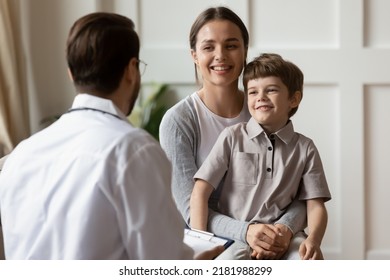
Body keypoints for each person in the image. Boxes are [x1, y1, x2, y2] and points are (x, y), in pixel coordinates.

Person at [0, 12, 223, 260]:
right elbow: (162, 263)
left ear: (71, 74)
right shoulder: (134, 150)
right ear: (131, 70)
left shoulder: (21, 155)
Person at [159, 6, 308, 260]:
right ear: (194, 55)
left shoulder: (264, 108)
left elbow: (301, 192)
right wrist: (247, 231)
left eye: (231, 45)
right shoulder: (178, 121)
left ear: (245, 51)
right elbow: (189, 208)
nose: (220, 56)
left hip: (275, 233)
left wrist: (284, 229)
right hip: (210, 238)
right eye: (208, 47)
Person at [190, 53, 332, 260]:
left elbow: (316, 204)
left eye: (271, 90)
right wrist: (200, 242)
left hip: (285, 237)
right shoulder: (232, 137)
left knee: (306, 261)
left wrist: (314, 240)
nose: (260, 97)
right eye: (253, 92)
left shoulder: (305, 148)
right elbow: (200, 192)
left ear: (294, 98)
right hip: (237, 235)